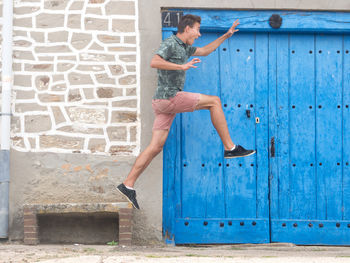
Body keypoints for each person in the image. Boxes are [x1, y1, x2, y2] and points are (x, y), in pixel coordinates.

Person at [117, 14, 255, 209]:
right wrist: (180, 66)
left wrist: (227, 35)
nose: (199, 34)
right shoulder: (171, 43)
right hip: (169, 97)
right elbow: (154, 62)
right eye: (197, 30)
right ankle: (230, 148)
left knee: (156, 146)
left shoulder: (184, 48)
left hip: (162, 103)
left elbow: (205, 51)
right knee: (214, 102)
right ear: (188, 28)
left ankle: (127, 185)